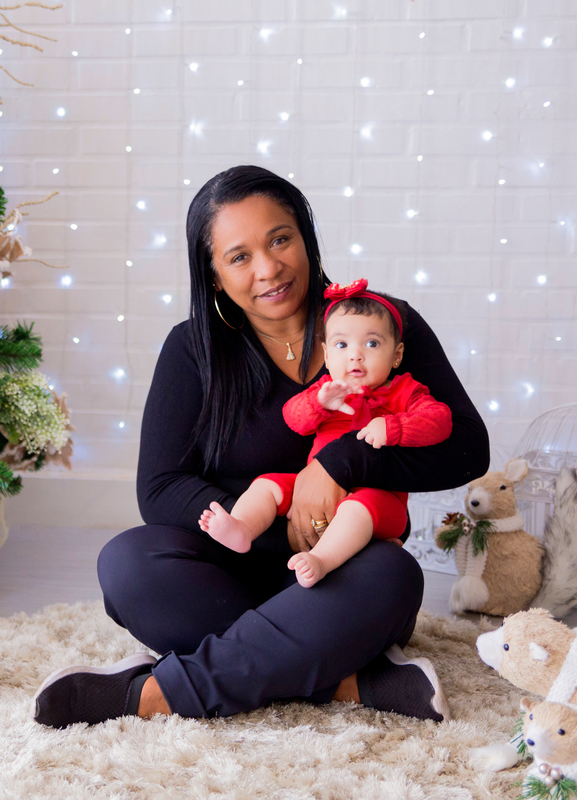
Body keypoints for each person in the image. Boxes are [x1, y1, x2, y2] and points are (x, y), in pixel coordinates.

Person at [32, 165, 489, 729]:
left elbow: (468, 448)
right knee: (128, 564)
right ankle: (339, 677)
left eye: (280, 239)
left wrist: (340, 463)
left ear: (306, 237)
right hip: (231, 573)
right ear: (214, 273)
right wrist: (275, 527)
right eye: (239, 256)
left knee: (392, 576)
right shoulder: (191, 350)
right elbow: (160, 489)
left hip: (339, 571)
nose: (269, 269)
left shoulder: (377, 325)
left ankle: (153, 695)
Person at [199, 278, 453, 589]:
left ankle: (322, 559)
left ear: (396, 355)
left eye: (371, 344)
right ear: (327, 355)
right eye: (342, 345)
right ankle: (242, 528)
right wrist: (319, 403)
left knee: (358, 508)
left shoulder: (405, 391)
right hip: (312, 492)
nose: (355, 356)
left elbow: (440, 421)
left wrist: (393, 427)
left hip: (380, 500)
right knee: (267, 485)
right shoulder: (329, 390)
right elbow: (293, 419)